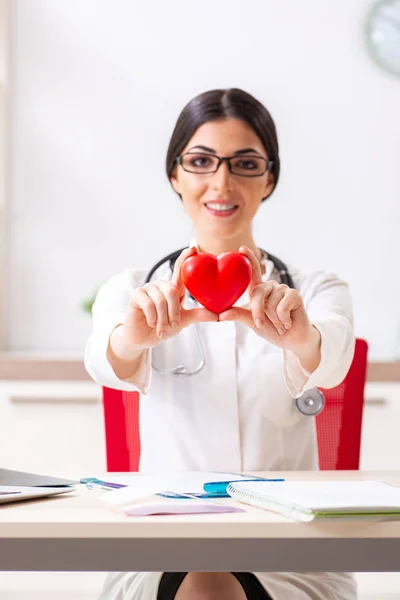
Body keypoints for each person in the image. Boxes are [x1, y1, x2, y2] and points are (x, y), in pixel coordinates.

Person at [85, 88, 357, 600]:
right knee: (206, 575)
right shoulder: (132, 290)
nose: (222, 181)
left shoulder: (315, 289)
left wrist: (301, 338)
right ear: (175, 174)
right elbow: (104, 359)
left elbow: (333, 357)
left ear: (270, 177)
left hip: (289, 550)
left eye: (245, 163)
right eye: (201, 161)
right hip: (163, 544)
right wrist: (134, 337)